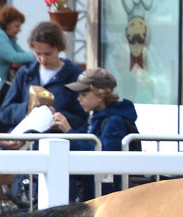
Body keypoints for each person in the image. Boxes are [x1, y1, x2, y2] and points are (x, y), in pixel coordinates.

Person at [56, 67, 139, 198]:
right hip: (96, 190)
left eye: (83, 95)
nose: (78, 99)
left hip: (109, 195)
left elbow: (102, 153)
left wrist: (69, 131)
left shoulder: (114, 120)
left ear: (101, 95)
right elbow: (83, 138)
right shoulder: (96, 116)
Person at [0, 21, 86, 133]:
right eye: (38, 53)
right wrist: (27, 109)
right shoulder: (25, 73)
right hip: (25, 142)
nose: (43, 59)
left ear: (59, 49)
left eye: (48, 54)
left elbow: (83, 118)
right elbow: (5, 113)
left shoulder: (74, 75)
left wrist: (58, 117)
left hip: (56, 142)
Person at [0, 4, 35, 88]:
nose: (20, 30)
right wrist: (38, 55)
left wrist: (37, 55)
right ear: (7, 24)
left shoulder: (6, 37)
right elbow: (15, 58)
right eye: (17, 26)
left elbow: (22, 53)